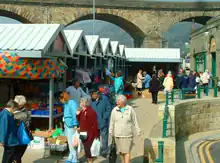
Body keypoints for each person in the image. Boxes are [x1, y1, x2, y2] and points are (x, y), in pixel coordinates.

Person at [109, 95, 141, 163]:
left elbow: (135, 120)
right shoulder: (114, 110)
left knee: (126, 152)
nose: (116, 102)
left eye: (118, 101)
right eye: (116, 101)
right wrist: (111, 132)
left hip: (127, 135)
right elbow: (112, 122)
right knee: (121, 152)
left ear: (123, 102)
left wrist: (138, 130)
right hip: (117, 135)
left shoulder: (130, 109)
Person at [90, 89, 112, 158]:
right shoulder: (91, 101)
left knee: (104, 137)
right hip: (94, 122)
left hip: (103, 122)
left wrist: (104, 117)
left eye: (93, 94)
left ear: (97, 94)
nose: (92, 96)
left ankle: (105, 151)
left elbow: (109, 109)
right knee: (96, 137)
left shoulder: (105, 99)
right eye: (91, 95)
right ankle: (96, 151)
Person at [76, 97, 99, 163]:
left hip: (89, 134)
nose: (80, 103)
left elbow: (95, 124)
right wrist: (77, 114)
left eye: (81, 102)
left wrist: (96, 135)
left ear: (84, 103)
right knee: (86, 150)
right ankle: (89, 161)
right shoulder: (82, 111)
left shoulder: (91, 112)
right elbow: (79, 120)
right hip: (83, 133)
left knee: (89, 151)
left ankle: (90, 162)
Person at [59, 92, 79, 163]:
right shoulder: (66, 104)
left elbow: (74, 114)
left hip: (71, 125)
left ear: (64, 98)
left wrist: (75, 124)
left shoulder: (72, 103)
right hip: (67, 125)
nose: (61, 101)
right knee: (70, 142)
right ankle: (71, 156)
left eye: (61, 99)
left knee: (72, 142)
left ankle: (75, 158)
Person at [14, 95, 31, 163]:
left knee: (17, 156)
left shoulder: (26, 112)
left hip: (21, 136)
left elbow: (28, 123)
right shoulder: (27, 111)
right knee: (17, 156)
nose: (18, 106)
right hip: (18, 136)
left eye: (20, 105)